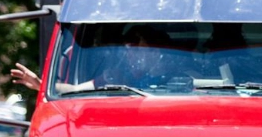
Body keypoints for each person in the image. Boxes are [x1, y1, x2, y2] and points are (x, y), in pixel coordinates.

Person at [11, 25, 169, 93]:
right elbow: (75, 90)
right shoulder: (115, 76)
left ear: (154, 52)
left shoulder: (173, 78)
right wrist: (41, 85)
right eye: (127, 49)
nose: (130, 54)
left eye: (137, 49)